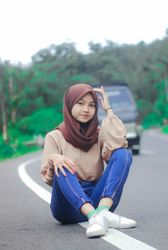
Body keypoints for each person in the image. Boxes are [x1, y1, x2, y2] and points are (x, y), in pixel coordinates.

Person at [41, 83, 136, 238]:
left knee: (123, 154)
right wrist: (54, 158)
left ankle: (102, 213)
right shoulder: (54, 136)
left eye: (92, 105)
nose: (86, 109)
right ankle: (93, 217)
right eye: (80, 103)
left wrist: (108, 109)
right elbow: (48, 177)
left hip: (99, 200)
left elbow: (119, 143)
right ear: (69, 104)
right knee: (62, 164)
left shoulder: (98, 135)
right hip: (67, 207)